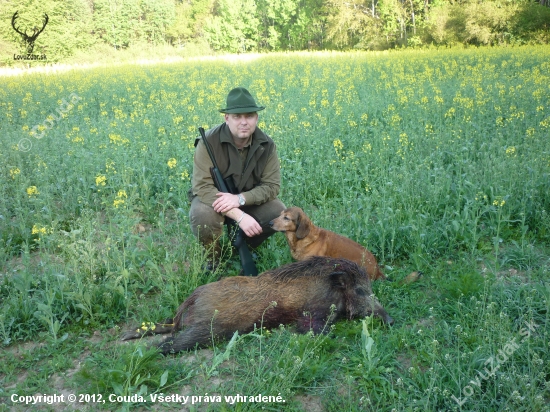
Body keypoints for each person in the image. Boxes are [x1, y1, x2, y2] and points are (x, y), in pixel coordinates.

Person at [188, 87, 285, 267]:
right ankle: (213, 258)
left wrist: (240, 199)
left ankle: (245, 245)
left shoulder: (267, 144)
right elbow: (202, 187)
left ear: (256, 117)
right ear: (227, 118)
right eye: (237, 117)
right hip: (213, 200)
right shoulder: (208, 142)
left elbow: (272, 186)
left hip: (246, 199)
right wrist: (239, 216)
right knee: (201, 214)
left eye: (248, 116)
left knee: (278, 211)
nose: (243, 122)